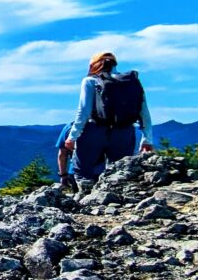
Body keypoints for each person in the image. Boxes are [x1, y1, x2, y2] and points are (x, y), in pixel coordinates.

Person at [62, 51, 153, 184]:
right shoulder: (131, 81)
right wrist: (147, 138)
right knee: (120, 172)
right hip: (124, 131)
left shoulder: (90, 81)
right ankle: (118, 199)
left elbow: (84, 111)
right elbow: (144, 111)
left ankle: (86, 199)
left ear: (93, 65)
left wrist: (72, 137)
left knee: (83, 172)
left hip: (94, 130)